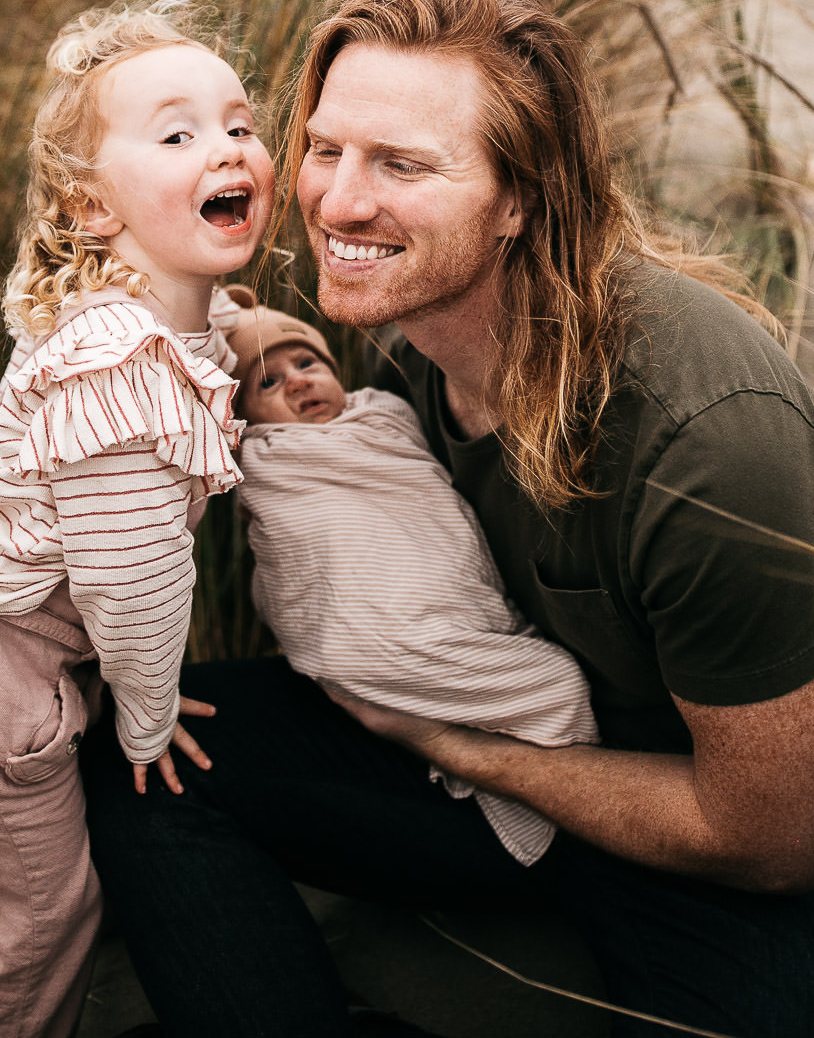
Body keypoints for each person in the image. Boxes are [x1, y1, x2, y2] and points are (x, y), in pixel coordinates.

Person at [82, 0, 814, 1038]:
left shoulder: (708, 438)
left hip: (711, 841)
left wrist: (462, 749)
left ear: (521, 197)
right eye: (326, 148)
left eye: (404, 165)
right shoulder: (413, 352)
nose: (338, 197)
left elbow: (778, 837)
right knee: (150, 759)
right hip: (505, 766)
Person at [0, 0, 275, 1038]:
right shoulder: (124, 393)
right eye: (177, 135)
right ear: (94, 208)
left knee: (47, 880)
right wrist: (148, 715)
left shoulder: (140, 298)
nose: (226, 147)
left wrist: (254, 323)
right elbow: (132, 591)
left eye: (239, 124)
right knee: (42, 917)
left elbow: (210, 319)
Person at [227, 290, 597, 866]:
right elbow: (298, 560)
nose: (298, 382)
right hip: (368, 636)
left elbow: (426, 510)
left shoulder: (383, 417)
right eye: (268, 384)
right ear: (243, 418)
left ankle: (527, 779)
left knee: (556, 681)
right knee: (554, 685)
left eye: (307, 363)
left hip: (447, 606)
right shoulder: (263, 459)